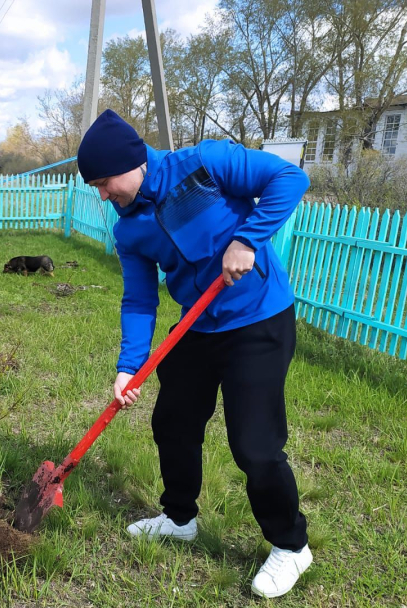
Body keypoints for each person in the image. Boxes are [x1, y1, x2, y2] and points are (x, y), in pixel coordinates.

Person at [77, 110, 311, 598]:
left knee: (255, 444)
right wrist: (127, 367)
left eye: (104, 181)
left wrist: (248, 239)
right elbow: (139, 301)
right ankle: (179, 517)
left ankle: (291, 546)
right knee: (173, 424)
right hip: (197, 325)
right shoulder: (129, 229)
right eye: (95, 186)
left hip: (259, 319)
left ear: (135, 162)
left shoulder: (204, 164)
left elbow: (290, 176)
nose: (102, 194)